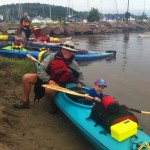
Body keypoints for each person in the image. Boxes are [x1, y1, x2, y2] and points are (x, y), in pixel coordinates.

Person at [13, 41, 84, 113]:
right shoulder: (52, 56)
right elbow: (40, 69)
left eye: (70, 51)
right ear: (62, 50)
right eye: (66, 50)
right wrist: (49, 80)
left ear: (72, 52)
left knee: (48, 89)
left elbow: (80, 74)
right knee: (26, 77)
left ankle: (51, 104)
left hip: (59, 83)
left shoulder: (73, 63)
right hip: (47, 77)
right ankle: (26, 102)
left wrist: (80, 82)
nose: (68, 52)